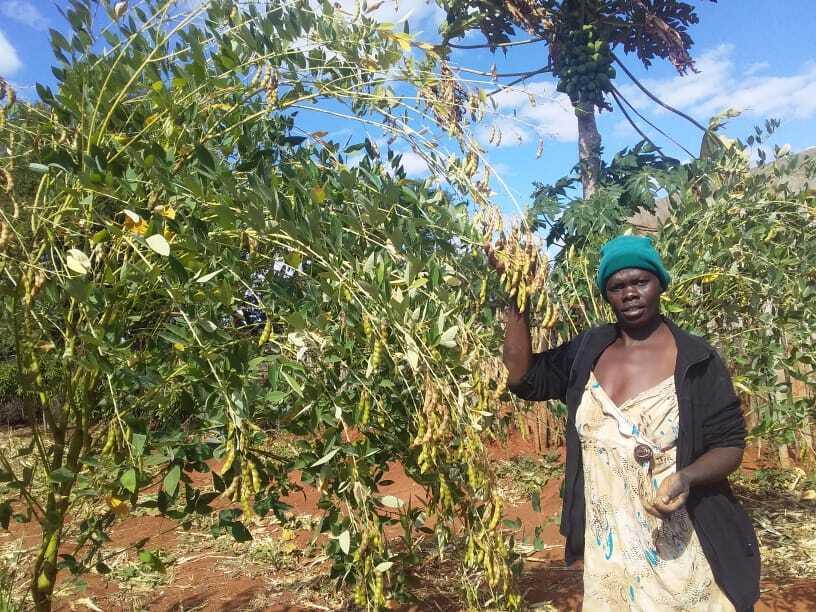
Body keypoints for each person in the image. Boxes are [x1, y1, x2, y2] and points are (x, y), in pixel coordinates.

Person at [492, 235, 760, 612]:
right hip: (610, 551)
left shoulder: (696, 360)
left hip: (679, 544)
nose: (630, 293)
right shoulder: (588, 351)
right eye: (617, 286)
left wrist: (687, 477)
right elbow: (523, 377)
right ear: (607, 294)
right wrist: (517, 295)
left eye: (640, 282)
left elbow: (730, 444)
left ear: (660, 284)